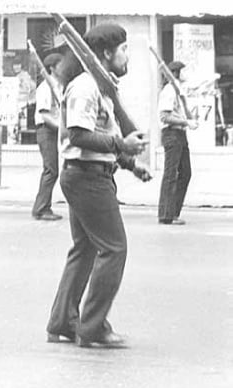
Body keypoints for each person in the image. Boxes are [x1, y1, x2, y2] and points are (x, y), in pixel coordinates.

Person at [45, 23, 151, 348]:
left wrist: (131, 164)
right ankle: (92, 327)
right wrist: (122, 145)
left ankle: (63, 322)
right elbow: (77, 135)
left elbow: (99, 138)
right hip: (86, 178)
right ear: (106, 53)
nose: (126, 55)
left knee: (86, 248)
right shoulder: (85, 87)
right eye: (122, 49)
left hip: (90, 174)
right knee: (114, 248)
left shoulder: (102, 89)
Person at [157, 61, 197, 225]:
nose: (185, 73)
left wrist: (187, 120)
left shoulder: (177, 91)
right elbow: (164, 117)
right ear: (176, 73)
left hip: (180, 134)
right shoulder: (169, 91)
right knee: (171, 174)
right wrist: (186, 122)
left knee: (185, 172)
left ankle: (172, 212)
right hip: (172, 134)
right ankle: (166, 214)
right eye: (182, 70)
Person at [31, 53, 64, 221]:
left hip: (54, 131)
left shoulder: (58, 86)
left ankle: (43, 206)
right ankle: (41, 208)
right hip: (46, 130)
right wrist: (61, 128)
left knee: (53, 170)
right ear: (52, 68)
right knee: (51, 170)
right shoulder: (45, 88)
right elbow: (44, 115)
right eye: (61, 65)